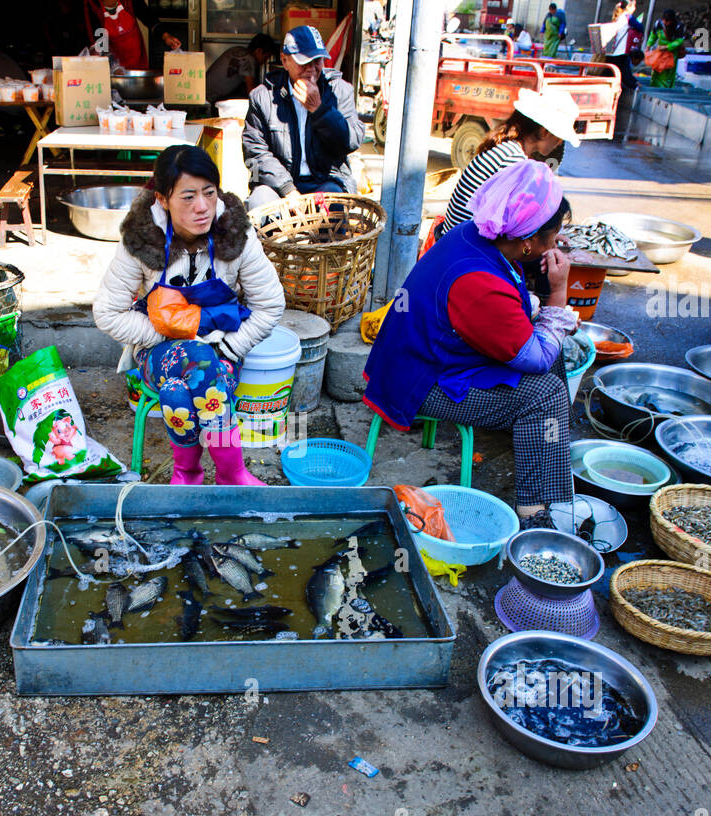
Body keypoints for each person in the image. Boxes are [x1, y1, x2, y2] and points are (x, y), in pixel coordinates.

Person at [363, 161, 579, 526]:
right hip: (422, 382)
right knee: (546, 391)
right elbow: (537, 357)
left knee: (553, 365)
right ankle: (534, 512)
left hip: (423, 355)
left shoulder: (475, 233)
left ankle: (545, 460)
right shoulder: (479, 283)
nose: (556, 241)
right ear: (527, 240)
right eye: (553, 233)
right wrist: (557, 292)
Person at [93, 146, 285, 485]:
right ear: (163, 199)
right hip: (157, 353)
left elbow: (270, 304)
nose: (202, 207)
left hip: (222, 352)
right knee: (194, 358)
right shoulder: (141, 239)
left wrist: (229, 349)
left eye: (209, 193)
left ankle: (188, 474)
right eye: (188, 197)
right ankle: (232, 474)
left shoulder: (235, 233)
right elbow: (107, 313)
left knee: (178, 391)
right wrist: (163, 334)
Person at [244, 26, 365, 209]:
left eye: (317, 61)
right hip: (279, 185)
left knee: (334, 206)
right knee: (259, 204)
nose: (312, 69)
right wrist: (288, 189)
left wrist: (319, 110)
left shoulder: (339, 91)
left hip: (326, 180)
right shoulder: (262, 97)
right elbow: (254, 151)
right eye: (304, 62)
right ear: (284, 61)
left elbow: (351, 141)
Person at [436, 88, 580, 241]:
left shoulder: (507, 148)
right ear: (544, 132)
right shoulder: (514, 159)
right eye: (559, 138)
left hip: (455, 238)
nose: (559, 144)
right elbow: (511, 227)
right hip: (464, 245)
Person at [206, 33, 279, 103]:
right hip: (210, 99)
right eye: (266, 57)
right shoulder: (249, 60)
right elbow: (251, 93)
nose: (264, 61)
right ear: (258, 50)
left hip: (204, 91)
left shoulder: (238, 49)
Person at [606, 0, 644, 92]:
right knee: (623, 72)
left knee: (612, 74)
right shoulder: (628, 17)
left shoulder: (618, 16)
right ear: (628, 7)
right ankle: (635, 86)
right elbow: (640, 28)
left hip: (612, 52)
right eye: (633, 6)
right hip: (620, 52)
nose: (635, 8)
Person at [644, 10, 685, 88]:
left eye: (667, 21)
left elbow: (679, 40)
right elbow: (653, 36)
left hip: (671, 54)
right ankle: (654, 88)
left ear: (672, 20)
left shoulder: (678, 26)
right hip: (659, 53)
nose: (665, 22)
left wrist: (667, 47)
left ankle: (666, 89)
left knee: (667, 74)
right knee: (657, 71)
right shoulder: (658, 24)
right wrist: (648, 46)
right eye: (664, 20)